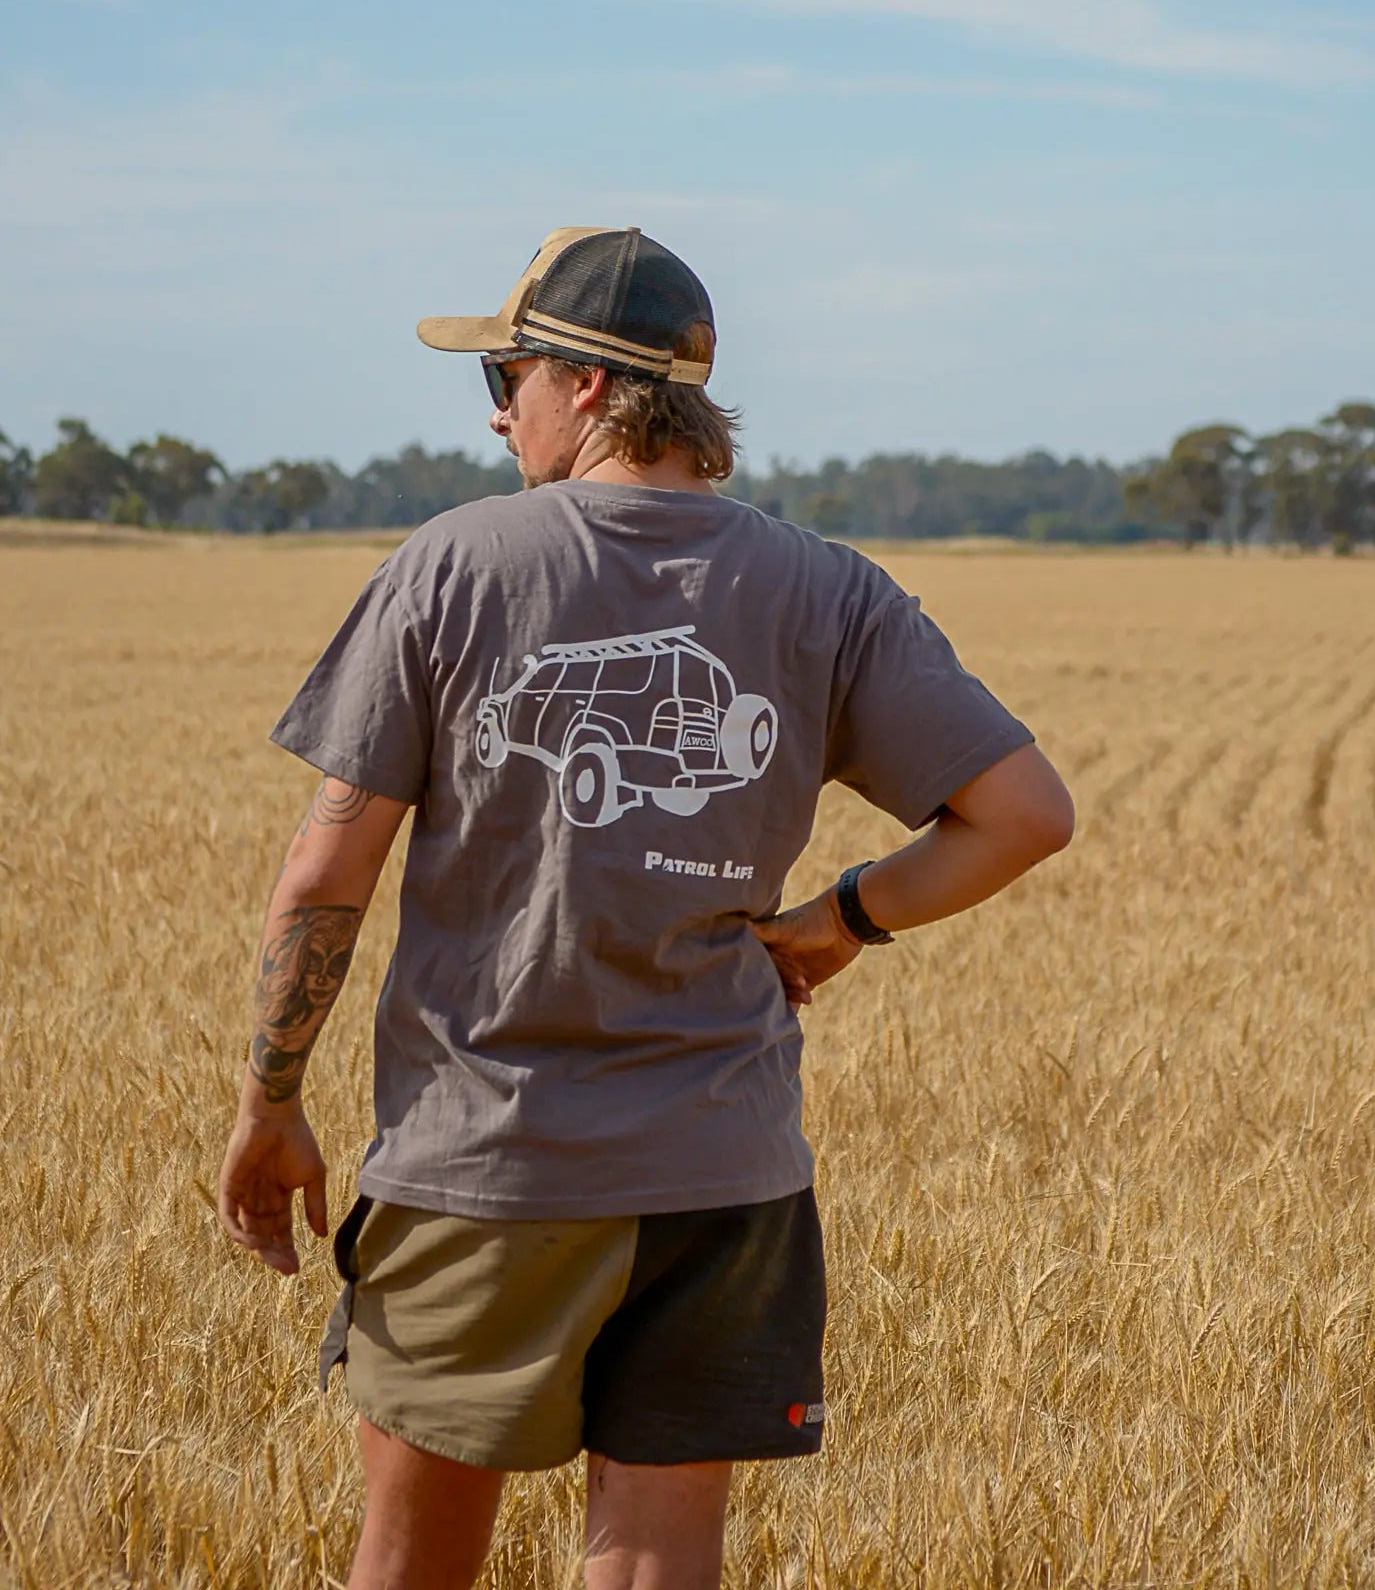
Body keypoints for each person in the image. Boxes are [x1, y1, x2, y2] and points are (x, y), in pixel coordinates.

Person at [217, 225, 1075, 1590]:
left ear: (594, 388)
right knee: (655, 1561)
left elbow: (327, 873)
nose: (498, 407)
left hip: (481, 1161)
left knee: (413, 1563)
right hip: (722, 1173)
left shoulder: (451, 564)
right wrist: (840, 922)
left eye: (510, 373)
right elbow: (1025, 815)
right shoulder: (828, 589)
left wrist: (269, 1099)